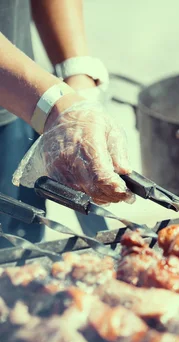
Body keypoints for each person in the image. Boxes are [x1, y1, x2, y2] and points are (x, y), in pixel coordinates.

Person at [0, 0, 134, 245]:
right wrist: (54, 103)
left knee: (18, 250)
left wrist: (77, 71)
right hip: (33, 96)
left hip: (19, 106)